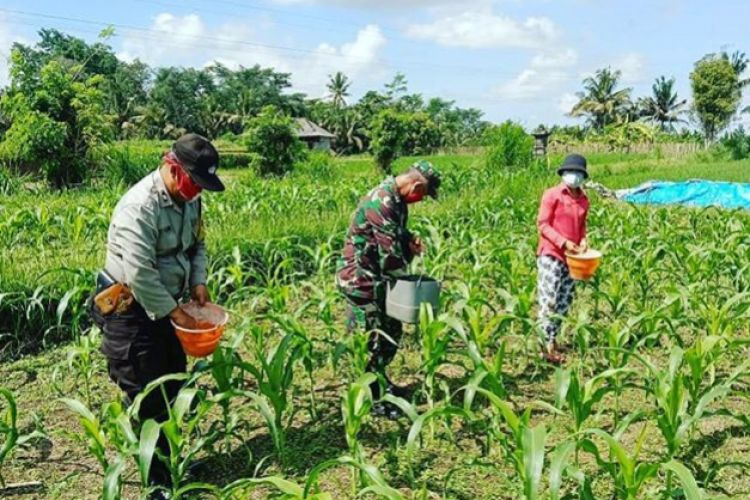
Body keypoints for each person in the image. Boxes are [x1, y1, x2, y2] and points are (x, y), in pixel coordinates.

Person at [90, 133, 225, 496]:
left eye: (202, 186)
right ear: (172, 166)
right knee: (147, 394)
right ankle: (156, 483)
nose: (197, 192)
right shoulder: (139, 206)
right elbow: (140, 274)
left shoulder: (191, 200)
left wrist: (198, 281)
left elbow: (198, 244)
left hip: (169, 306)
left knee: (174, 383)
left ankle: (172, 459)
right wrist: (177, 314)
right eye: (194, 183)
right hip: (129, 310)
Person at [336, 161, 441, 417]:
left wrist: (409, 238)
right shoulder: (382, 201)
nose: (421, 200)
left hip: (379, 280)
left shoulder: (397, 201)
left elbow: (397, 235)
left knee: (390, 332)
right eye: (424, 195)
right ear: (415, 185)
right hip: (362, 281)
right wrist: (409, 263)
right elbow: (390, 255)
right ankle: (369, 398)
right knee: (370, 339)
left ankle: (380, 382)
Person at [536, 153, 590, 364]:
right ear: (563, 173)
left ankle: (553, 338)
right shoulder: (552, 195)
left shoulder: (584, 200)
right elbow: (542, 225)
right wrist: (564, 242)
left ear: (583, 176)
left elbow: (582, 226)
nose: (573, 176)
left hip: (572, 257)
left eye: (577, 172)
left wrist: (583, 241)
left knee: (564, 299)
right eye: (570, 172)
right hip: (551, 253)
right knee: (549, 298)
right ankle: (545, 345)